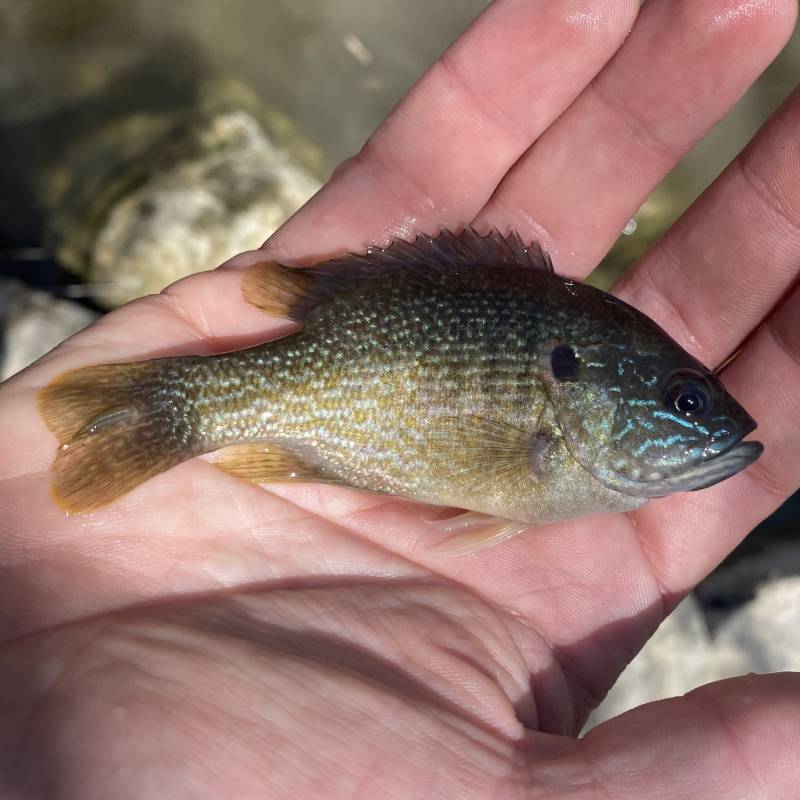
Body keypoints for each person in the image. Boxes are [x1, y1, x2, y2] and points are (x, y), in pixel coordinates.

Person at [1, 0, 799, 796]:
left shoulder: (577, 440)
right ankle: (181, 409)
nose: (710, 424)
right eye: (684, 402)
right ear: (603, 391)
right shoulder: (562, 446)